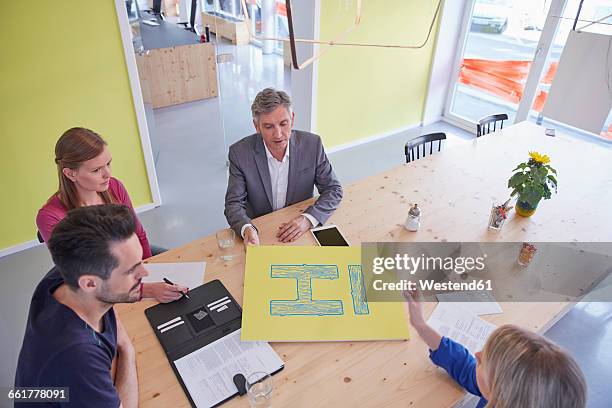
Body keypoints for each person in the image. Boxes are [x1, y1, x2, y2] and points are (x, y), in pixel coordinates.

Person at [15, 204, 148, 408]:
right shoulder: (78, 355)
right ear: (90, 283)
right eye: (132, 270)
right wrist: (127, 351)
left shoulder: (63, 276)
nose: (145, 273)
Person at [36, 127, 186, 303]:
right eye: (96, 170)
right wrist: (146, 289)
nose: (108, 174)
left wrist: (147, 268)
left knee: (185, 270)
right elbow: (87, 275)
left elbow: (138, 233)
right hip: (103, 283)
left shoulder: (114, 187)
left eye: (108, 164)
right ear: (70, 173)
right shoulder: (50, 216)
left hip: (131, 258)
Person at [404, 290, 587, 408]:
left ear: (500, 392)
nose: (477, 354)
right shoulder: (505, 393)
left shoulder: (499, 391)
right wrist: (421, 326)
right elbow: (464, 367)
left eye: (483, 361)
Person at [224, 88, 343, 245]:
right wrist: (247, 229)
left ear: (292, 119)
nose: (278, 134)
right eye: (268, 127)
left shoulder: (312, 145)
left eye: (283, 124)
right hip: (260, 233)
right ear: (256, 126)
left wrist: (308, 219)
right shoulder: (239, 153)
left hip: (299, 229)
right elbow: (233, 204)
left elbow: (333, 190)